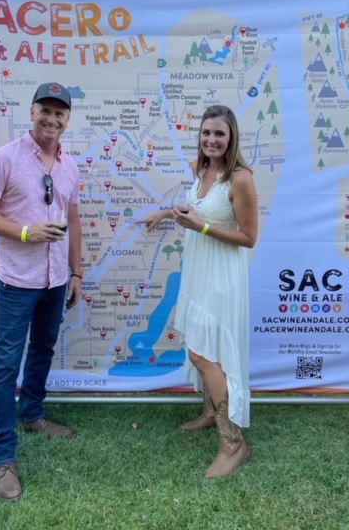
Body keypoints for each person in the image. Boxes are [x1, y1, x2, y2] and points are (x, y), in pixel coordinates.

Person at [0, 82, 83, 501]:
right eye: (45, 111)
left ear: (68, 119)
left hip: (55, 282)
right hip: (17, 279)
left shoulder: (70, 166)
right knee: (4, 365)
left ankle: (32, 414)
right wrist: (22, 231)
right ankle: (2, 457)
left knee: (43, 350)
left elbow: (73, 218)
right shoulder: (6, 159)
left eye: (60, 113)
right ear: (31, 112)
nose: (52, 119)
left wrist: (76, 273)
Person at [138, 104, 258, 479]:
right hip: (199, 270)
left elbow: (248, 237)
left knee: (204, 353)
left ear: (231, 137)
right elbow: (196, 209)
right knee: (201, 348)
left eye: (219, 134)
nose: (211, 140)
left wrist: (202, 228)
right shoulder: (201, 168)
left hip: (222, 275)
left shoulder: (240, 179)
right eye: (206, 133)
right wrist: (165, 214)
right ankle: (210, 412)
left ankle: (233, 443)